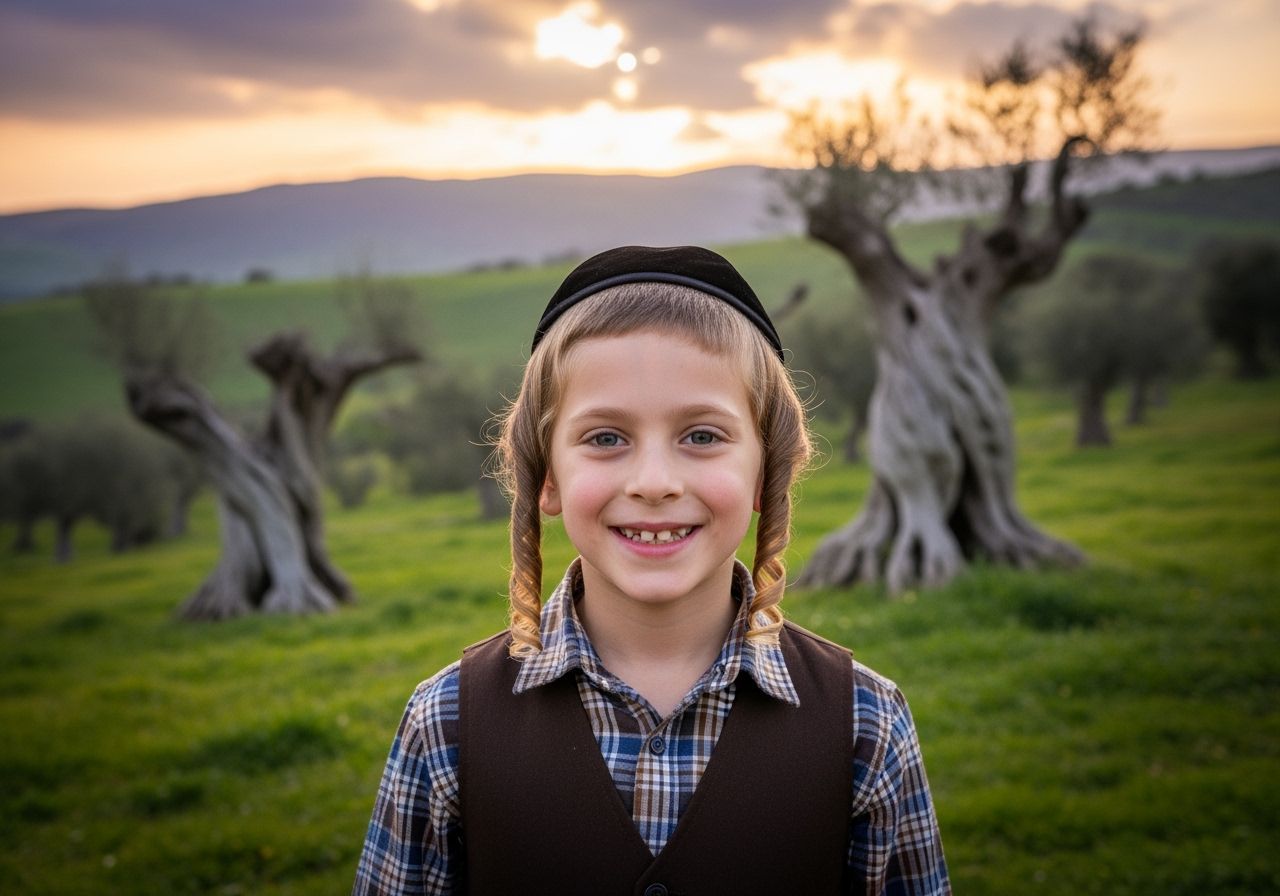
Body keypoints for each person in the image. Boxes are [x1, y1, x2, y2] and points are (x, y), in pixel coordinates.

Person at [352, 245, 949, 895]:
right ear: (547, 477)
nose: (655, 483)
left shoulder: (865, 723)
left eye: (702, 436)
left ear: (766, 470)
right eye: (606, 438)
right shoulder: (445, 726)